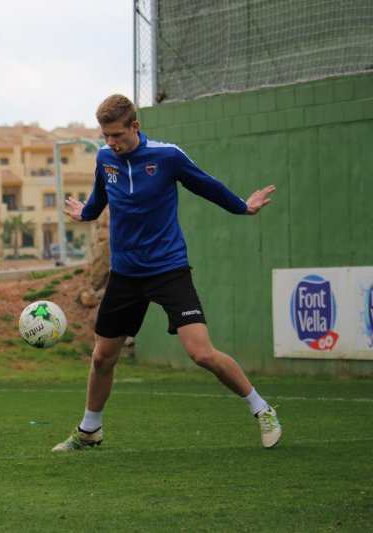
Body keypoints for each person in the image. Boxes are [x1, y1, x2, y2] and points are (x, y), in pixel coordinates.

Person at [54, 94, 281, 452]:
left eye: (116, 135)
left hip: (168, 269)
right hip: (126, 274)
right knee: (101, 357)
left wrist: (242, 207)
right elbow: (100, 199)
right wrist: (86, 212)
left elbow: (206, 184)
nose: (110, 143)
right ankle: (89, 430)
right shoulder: (104, 159)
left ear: (135, 127)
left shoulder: (166, 156)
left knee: (201, 353)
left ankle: (262, 408)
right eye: (105, 136)